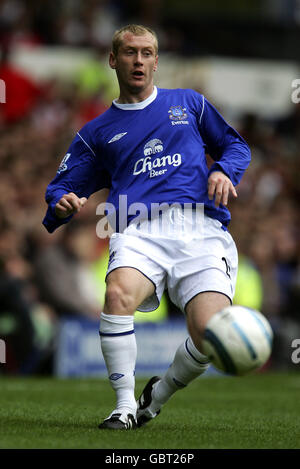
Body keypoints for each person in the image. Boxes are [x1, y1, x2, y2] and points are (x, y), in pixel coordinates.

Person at [43, 24, 251, 430]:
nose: (138, 60)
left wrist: (225, 171)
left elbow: (236, 145)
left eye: (147, 53)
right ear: (113, 60)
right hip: (137, 230)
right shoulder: (96, 132)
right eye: (129, 52)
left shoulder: (189, 104)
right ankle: (122, 407)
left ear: (157, 61)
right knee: (118, 292)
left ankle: (157, 395)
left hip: (201, 230)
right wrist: (62, 203)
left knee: (210, 334)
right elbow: (62, 187)